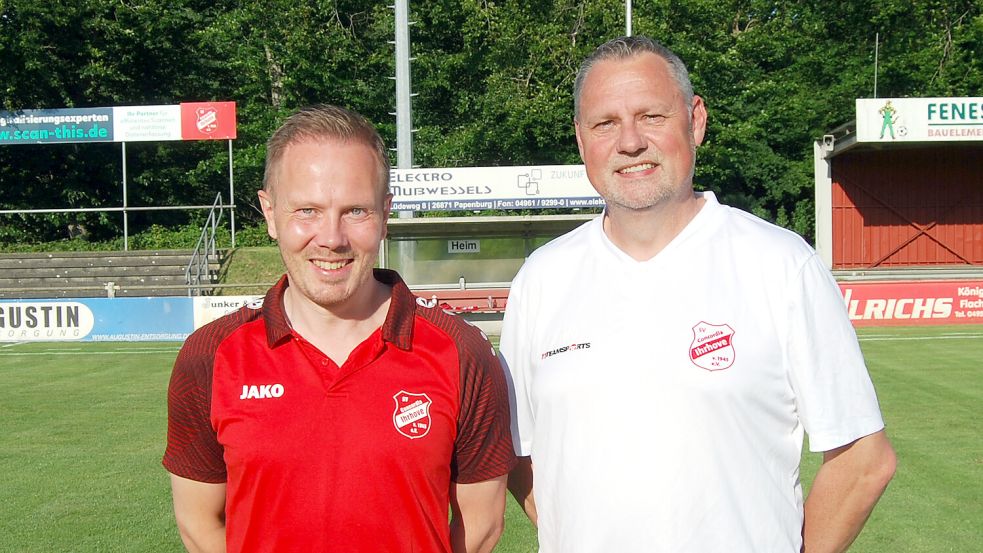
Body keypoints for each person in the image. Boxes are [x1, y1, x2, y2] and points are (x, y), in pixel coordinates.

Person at [500, 36, 897, 552]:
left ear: (696, 120)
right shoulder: (541, 278)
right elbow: (515, 452)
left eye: (651, 116)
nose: (630, 142)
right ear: (581, 140)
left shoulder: (780, 264)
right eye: (605, 123)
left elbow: (865, 459)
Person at [163, 104, 515, 553]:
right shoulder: (210, 356)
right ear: (270, 213)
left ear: (385, 214)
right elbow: (199, 523)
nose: (331, 238)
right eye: (307, 210)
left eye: (355, 211)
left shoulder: (461, 351)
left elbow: (481, 526)